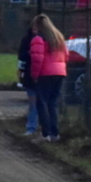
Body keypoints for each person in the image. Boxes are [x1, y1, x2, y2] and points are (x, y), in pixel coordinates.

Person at [29, 13, 68, 141]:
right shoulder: (59, 38)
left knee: (42, 102)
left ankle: (45, 133)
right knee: (53, 103)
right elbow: (66, 55)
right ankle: (54, 133)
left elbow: (37, 59)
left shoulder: (38, 39)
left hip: (45, 73)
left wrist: (35, 75)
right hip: (60, 72)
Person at [17, 22, 40, 135]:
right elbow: (21, 56)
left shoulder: (43, 40)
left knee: (36, 103)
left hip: (37, 75)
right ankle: (32, 127)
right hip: (31, 75)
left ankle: (34, 127)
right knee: (34, 103)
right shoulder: (27, 40)